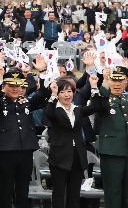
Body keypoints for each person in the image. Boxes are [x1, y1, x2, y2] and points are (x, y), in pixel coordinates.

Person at [0, 56, 50, 208]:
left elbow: (43, 93)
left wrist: (42, 72)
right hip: (7, 151)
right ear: (4, 86)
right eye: (11, 85)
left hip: (25, 150)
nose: (15, 88)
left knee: (23, 189)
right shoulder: (0, 102)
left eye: (18, 85)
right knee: (6, 189)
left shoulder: (26, 102)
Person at [44, 76, 98, 208]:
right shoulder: (55, 110)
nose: (67, 95)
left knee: (74, 195)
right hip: (59, 157)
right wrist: (53, 94)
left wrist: (94, 86)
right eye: (62, 92)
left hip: (77, 157)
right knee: (59, 194)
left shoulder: (78, 109)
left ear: (73, 92)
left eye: (69, 91)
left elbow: (97, 106)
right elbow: (49, 114)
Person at [93, 67, 128, 208]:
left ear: (126, 82)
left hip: (126, 151)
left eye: (121, 80)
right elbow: (100, 100)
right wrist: (104, 81)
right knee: (113, 191)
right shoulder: (104, 99)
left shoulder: (126, 99)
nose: (117, 84)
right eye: (114, 80)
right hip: (112, 152)